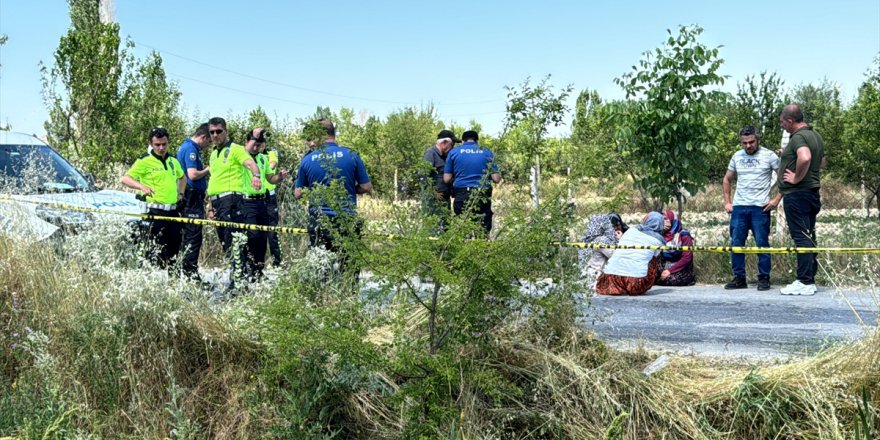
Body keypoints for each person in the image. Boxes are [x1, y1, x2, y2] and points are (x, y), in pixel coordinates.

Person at [294, 118, 372, 274]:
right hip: (346, 219)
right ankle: (349, 295)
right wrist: (350, 189)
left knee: (320, 268)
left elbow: (298, 193)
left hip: (319, 220)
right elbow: (366, 187)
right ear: (333, 133)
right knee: (349, 268)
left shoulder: (308, 159)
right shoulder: (351, 154)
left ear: (319, 134)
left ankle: (322, 296)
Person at [769, 104, 826, 296]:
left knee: (801, 236)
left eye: (782, 122)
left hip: (798, 193)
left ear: (790, 121)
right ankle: (810, 277)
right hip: (811, 192)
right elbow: (821, 161)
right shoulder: (814, 135)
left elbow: (805, 157)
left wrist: (796, 178)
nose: (782, 125)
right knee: (809, 234)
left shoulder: (799, 137)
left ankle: (804, 281)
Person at [205, 117, 262, 287]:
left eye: (219, 131)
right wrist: (209, 206)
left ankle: (239, 282)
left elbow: (250, 163)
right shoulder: (214, 154)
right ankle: (238, 277)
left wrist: (256, 176)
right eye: (212, 132)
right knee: (225, 243)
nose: (215, 135)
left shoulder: (235, 149)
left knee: (234, 242)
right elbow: (213, 179)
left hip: (232, 201)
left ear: (226, 131)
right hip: (217, 201)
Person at [722, 125, 780, 291]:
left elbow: (784, 178)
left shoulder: (769, 156)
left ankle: (763, 278)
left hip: (759, 208)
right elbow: (727, 179)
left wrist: (776, 200)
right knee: (736, 243)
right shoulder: (737, 156)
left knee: (762, 243)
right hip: (739, 207)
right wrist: (727, 202)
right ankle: (739, 278)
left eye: (751, 142)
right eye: (744, 143)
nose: (748, 146)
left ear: (758, 139)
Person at [120, 127, 185, 269]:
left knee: (174, 250)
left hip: (172, 212)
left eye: (164, 144)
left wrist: (180, 194)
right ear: (151, 144)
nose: (161, 148)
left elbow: (182, 177)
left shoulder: (173, 160)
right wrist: (142, 187)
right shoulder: (144, 160)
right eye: (157, 145)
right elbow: (125, 179)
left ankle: (172, 281)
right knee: (154, 251)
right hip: (154, 212)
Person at [240, 128, 287, 280]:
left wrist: (279, 177)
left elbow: (270, 179)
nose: (256, 147)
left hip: (263, 202)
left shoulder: (262, 158)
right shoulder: (242, 156)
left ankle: (258, 271)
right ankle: (248, 267)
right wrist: (254, 136)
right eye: (254, 144)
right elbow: (246, 151)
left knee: (262, 238)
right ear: (247, 143)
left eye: (259, 145)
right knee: (252, 236)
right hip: (247, 202)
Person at [442, 130, 501, 235]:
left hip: (462, 193)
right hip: (482, 193)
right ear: (477, 140)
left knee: (462, 228)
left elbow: (446, 179)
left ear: (463, 141)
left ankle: (464, 248)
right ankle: (482, 249)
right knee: (482, 229)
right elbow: (496, 178)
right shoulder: (487, 152)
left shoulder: (454, 152)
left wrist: (458, 176)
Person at [595, 212, 666, 296]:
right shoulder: (658, 240)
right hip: (635, 283)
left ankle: (621, 286)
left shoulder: (631, 230)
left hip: (610, 280)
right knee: (653, 258)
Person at [176, 123, 212, 281]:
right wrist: (208, 169)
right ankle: (191, 276)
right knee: (193, 236)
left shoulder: (185, 147)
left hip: (188, 197)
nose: (209, 145)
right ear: (203, 137)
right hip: (192, 197)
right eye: (209, 142)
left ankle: (184, 272)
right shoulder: (191, 150)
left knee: (187, 237)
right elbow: (193, 175)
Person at [422, 129, 460, 228]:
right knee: (433, 228)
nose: (453, 148)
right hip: (433, 201)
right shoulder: (431, 153)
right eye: (452, 145)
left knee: (445, 228)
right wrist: (433, 193)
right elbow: (423, 175)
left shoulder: (446, 157)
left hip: (444, 200)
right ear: (444, 143)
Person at [579, 213, 628, 281]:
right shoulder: (602, 240)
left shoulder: (609, 238)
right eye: (613, 226)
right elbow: (617, 256)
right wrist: (621, 240)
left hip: (599, 273)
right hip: (595, 276)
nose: (616, 228)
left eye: (618, 225)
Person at [656, 209, 696, 286]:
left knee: (669, 280)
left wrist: (670, 271)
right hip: (666, 267)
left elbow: (687, 258)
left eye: (666, 219)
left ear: (672, 220)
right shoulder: (660, 236)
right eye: (662, 219)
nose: (665, 222)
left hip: (681, 269)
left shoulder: (684, 235)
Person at [261, 140, 283, 266]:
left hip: (269, 197)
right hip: (255, 198)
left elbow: (273, 165)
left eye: (262, 142)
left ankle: (277, 262)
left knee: (272, 232)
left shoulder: (271, 153)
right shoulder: (249, 155)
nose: (261, 145)